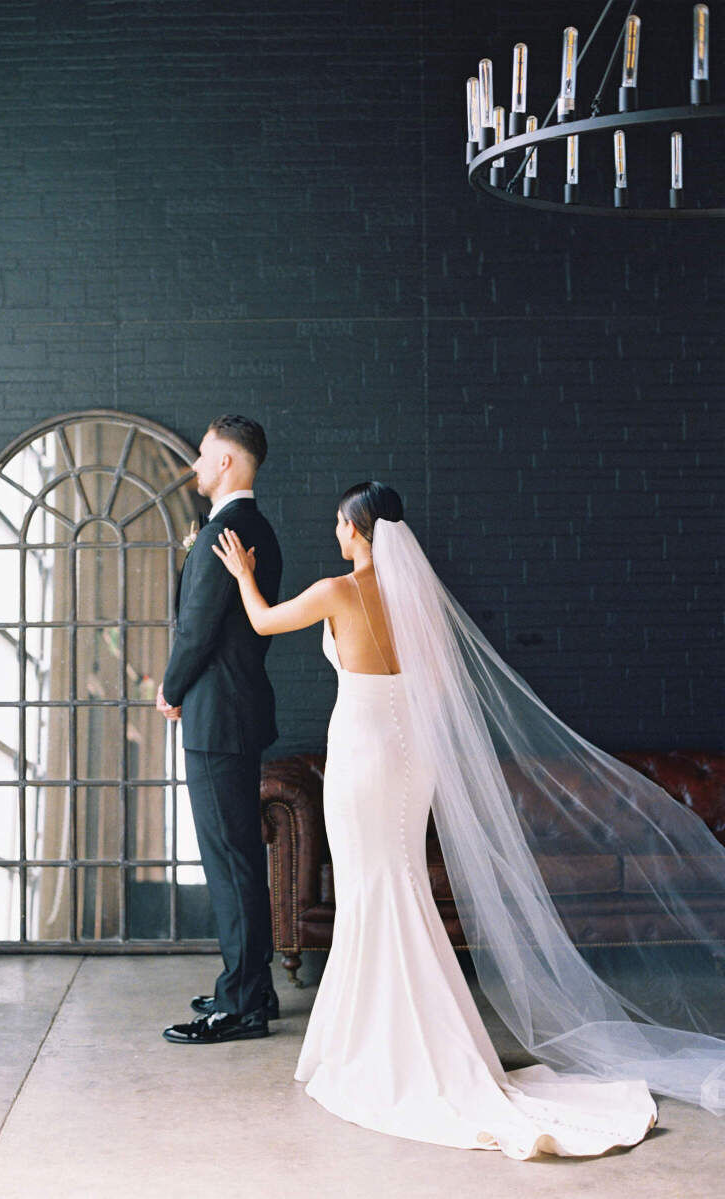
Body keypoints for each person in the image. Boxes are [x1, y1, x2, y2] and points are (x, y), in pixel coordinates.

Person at [211, 480, 725, 1159]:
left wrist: (245, 576)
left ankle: (373, 1046)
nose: (336, 533)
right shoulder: (418, 604)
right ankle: (405, 1034)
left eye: (341, 524)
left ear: (359, 532)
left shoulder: (339, 591)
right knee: (400, 885)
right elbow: (443, 692)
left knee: (371, 888)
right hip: (410, 752)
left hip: (364, 749)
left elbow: (263, 620)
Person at [157, 415, 283, 1045]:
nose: (197, 466)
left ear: (228, 463)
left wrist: (169, 689)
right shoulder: (256, 529)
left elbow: (199, 630)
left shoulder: (224, 532)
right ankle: (252, 984)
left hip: (216, 719)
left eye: (204, 455)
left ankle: (240, 1006)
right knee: (239, 860)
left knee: (230, 862)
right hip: (237, 714)